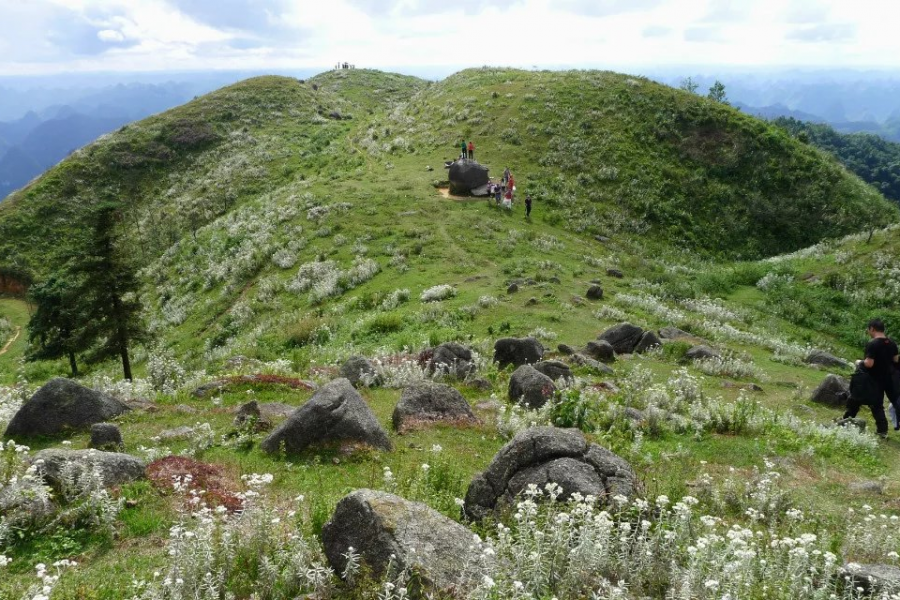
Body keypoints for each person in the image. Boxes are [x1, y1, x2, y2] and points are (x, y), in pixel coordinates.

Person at [842, 318, 899, 438]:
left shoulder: (873, 344)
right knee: (877, 405)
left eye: (868, 329)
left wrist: (859, 362)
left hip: (871, 378)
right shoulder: (892, 343)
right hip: (887, 379)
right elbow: (896, 361)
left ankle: (846, 421)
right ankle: (882, 430)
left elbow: (869, 363)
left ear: (872, 329)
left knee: (855, 399)